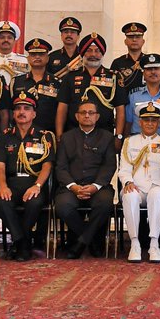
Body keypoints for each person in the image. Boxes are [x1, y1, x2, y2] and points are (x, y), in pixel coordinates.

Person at [0, 90, 56, 261]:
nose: (22, 112)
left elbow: (47, 165)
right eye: (18, 109)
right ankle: (23, 241)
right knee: (1, 201)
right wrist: (3, 186)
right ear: (13, 114)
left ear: (34, 113)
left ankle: (20, 243)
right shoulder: (5, 136)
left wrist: (37, 186)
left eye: (27, 108)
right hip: (12, 183)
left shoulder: (45, 136)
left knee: (35, 202)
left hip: (34, 182)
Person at [55, 100, 118, 259]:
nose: (87, 115)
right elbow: (60, 167)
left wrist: (95, 186)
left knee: (105, 203)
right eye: (83, 112)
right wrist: (73, 186)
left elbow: (109, 166)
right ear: (76, 116)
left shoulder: (107, 137)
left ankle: (80, 242)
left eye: (91, 113)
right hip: (71, 186)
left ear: (97, 117)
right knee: (63, 205)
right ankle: (91, 241)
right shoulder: (67, 138)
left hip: (98, 187)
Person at [118, 104, 160, 263]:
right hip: (136, 185)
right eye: (146, 120)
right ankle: (135, 243)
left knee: (157, 195)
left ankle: (154, 243)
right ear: (140, 122)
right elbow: (124, 169)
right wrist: (128, 182)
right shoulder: (130, 142)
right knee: (129, 196)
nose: (150, 123)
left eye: (153, 120)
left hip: (158, 186)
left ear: (159, 122)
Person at [55, 32, 126, 140]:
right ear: (82, 53)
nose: (93, 55)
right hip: (74, 135)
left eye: (97, 51)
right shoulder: (70, 77)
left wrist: (118, 136)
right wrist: (59, 135)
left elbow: (120, 109)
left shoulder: (114, 77)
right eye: (89, 50)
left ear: (102, 54)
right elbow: (62, 108)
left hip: (104, 136)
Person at [11, 38, 60, 130]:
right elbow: (11, 110)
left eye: (41, 54)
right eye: (33, 54)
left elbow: (60, 111)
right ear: (28, 58)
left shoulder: (57, 82)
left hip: (48, 133)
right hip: (20, 135)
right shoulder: (17, 81)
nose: (37, 57)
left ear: (47, 58)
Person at [0, 20, 29, 91]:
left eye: (9, 38)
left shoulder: (25, 60)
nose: (6, 40)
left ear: (14, 41)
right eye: (2, 37)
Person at [111, 21, 148, 91]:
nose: (134, 40)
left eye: (138, 37)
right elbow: (112, 87)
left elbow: (159, 86)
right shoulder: (117, 63)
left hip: (146, 101)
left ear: (143, 41)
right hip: (124, 101)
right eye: (130, 37)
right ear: (125, 41)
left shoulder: (150, 61)